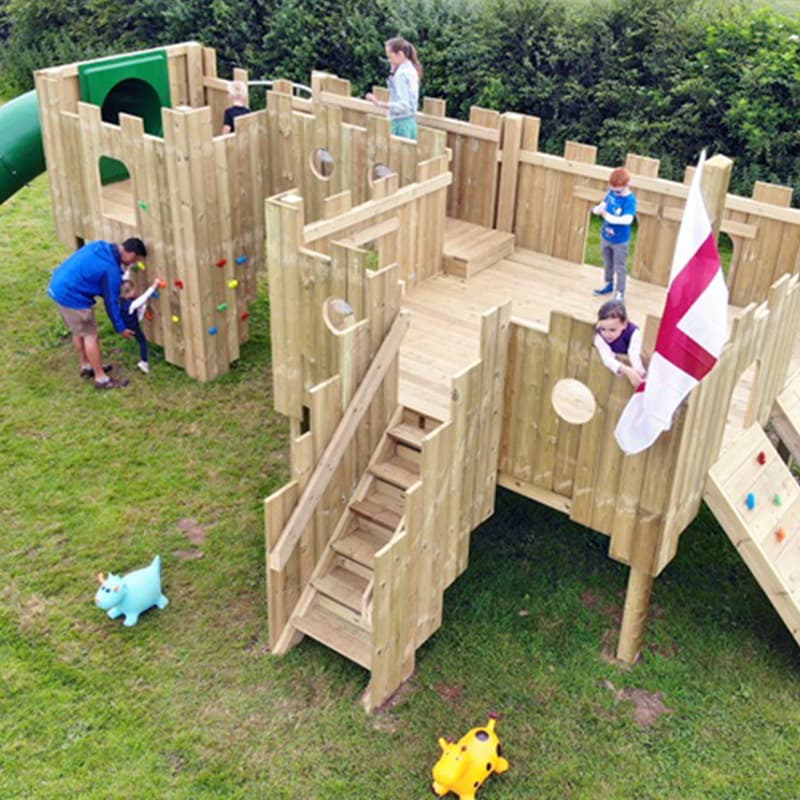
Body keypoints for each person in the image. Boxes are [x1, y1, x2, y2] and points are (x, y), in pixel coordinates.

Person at [48, 238, 148, 389]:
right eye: (135, 259)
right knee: (90, 335)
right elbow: (111, 302)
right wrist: (120, 327)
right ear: (131, 253)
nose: (133, 263)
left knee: (78, 331)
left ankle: (86, 366)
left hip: (58, 285)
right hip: (72, 295)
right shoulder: (111, 269)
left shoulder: (100, 246)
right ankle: (101, 379)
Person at [592, 167, 637, 300]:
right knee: (607, 263)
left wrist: (606, 216)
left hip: (620, 241)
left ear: (627, 185)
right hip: (606, 236)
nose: (615, 193)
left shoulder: (629, 200)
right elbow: (600, 207)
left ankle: (619, 292)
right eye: (612, 189)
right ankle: (609, 284)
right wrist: (598, 209)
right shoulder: (611, 193)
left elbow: (627, 220)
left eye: (618, 191)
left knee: (620, 266)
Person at [366, 37, 422, 140]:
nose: (389, 60)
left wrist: (379, 103)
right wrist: (392, 71)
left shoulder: (401, 75)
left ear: (400, 54)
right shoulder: (411, 70)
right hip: (410, 122)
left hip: (399, 124)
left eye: (390, 57)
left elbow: (403, 105)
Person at [594, 299, 647, 389]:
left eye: (612, 330)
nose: (607, 334)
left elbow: (634, 352)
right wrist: (628, 371)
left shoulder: (634, 333)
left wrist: (638, 370)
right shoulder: (599, 337)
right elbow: (607, 358)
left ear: (624, 324)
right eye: (603, 329)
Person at [120, 277, 162, 374]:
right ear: (127, 293)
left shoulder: (121, 301)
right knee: (142, 342)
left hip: (126, 324)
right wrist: (154, 285)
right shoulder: (132, 304)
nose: (135, 291)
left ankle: (143, 362)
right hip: (133, 326)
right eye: (132, 290)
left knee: (141, 307)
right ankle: (144, 363)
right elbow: (144, 297)